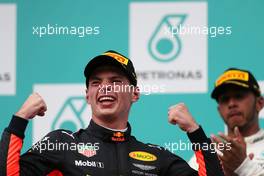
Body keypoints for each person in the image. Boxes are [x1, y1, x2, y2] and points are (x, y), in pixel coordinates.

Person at [0, 50, 224, 176]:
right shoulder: (61, 143)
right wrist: (18, 122)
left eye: (116, 81)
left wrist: (195, 133)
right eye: (96, 83)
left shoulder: (157, 157)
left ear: (135, 94)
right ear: (87, 95)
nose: (105, 87)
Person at [189, 68, 264, 176]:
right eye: (225, 99)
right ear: (219, 111)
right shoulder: (207, 153)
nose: (231, 104)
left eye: (239, 96)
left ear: (260, 103)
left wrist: (244, 167)